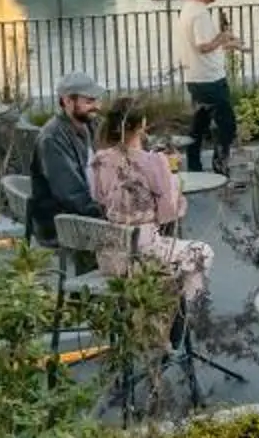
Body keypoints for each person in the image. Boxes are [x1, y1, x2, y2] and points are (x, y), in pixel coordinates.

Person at [92, 99, 215, 318]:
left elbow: (99, 197)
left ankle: (161, 314)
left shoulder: (100, 159)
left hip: (110, 256)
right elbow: (170, 212)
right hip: (143, 255)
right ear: (142, 125)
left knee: (178, 259)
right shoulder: (153, 161)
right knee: (202, 253)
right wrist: (170, 177)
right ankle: (181, 319)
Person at [172, 0, 244, 174]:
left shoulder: (188, 8)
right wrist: (223, 37)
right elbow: (204, 46)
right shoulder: (201, 14)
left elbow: (201, 46)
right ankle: (220, 167)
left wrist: (230, 45)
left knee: (200, 124)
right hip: (210, 79)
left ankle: (194, 165)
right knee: (226, 125)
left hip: (195, 76)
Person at [26, 72, 103, 244]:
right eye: (89, 101)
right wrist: (108, 213)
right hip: (63, 222)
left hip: (85, 210)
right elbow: (71, 194)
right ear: (68, 101)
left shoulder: (91, 124)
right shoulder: (52, 138)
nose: (97, 106)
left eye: (97, 100)